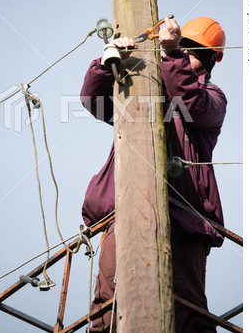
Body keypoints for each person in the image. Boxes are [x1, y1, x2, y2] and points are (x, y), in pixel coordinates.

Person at [80, 17, 227, 332]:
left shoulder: (213, 97)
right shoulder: (144, 87)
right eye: (182, 46)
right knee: (108, 307)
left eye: (195, 50)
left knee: (186, 310)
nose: (186, 53)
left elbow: (189, 99)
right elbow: (93, 100)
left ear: (210, 60)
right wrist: (110, 64)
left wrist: (172, 56)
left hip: (184, 220)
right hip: (124, 213)